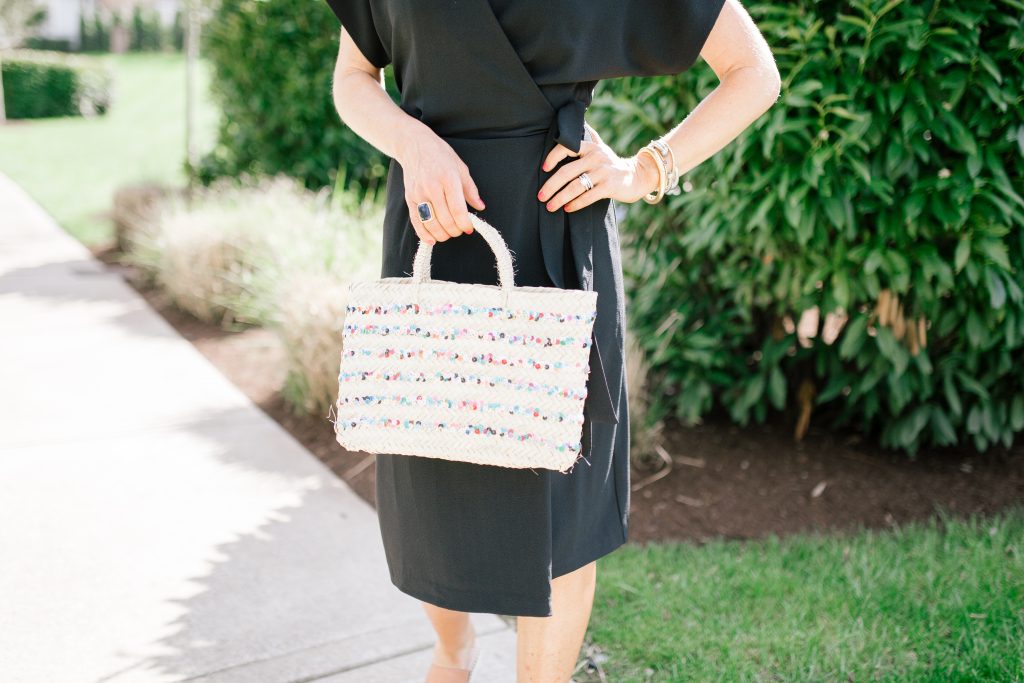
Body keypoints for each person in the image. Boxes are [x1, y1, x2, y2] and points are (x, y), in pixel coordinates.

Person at [326, 0, 780, 680]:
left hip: (554, 236)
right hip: (434, 225)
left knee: (557, 510)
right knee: (427, 487)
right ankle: (454, 652)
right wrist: (413, 143)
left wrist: (646, 168)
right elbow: (353, 78)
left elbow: (753, 70)